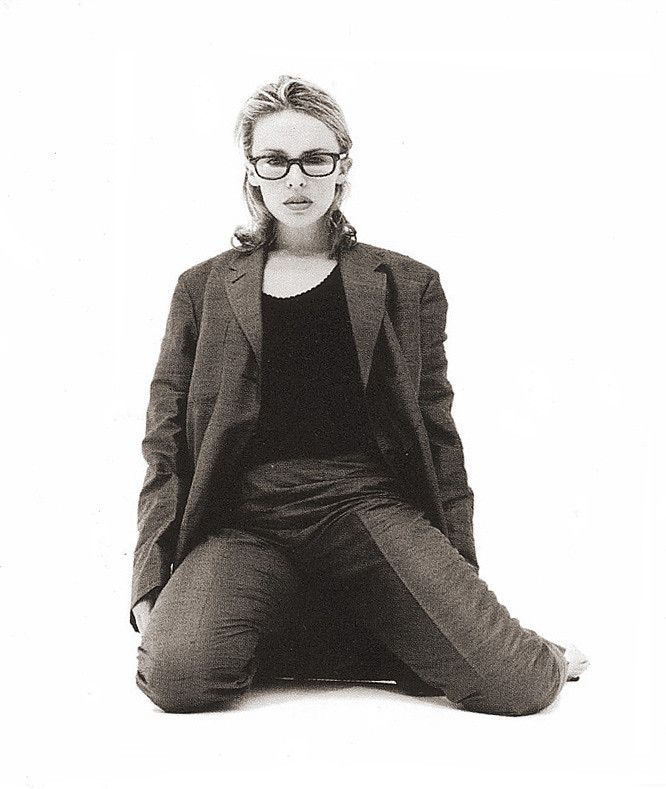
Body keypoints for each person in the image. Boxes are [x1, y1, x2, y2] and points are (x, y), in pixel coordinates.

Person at [131, 74, 589, 715]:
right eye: (276, 160)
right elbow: (165, 442)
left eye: (315, 160)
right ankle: (335, 630)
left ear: (341, 169)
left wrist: (457, 578)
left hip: (364, 507)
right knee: (179, 679)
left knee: (516, 686)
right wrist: (149, 582)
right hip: (243, 521)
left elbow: (437, 435)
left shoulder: (408, 284)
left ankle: (525, 651)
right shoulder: (201, 289)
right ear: (252, 172)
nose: (296, 179)